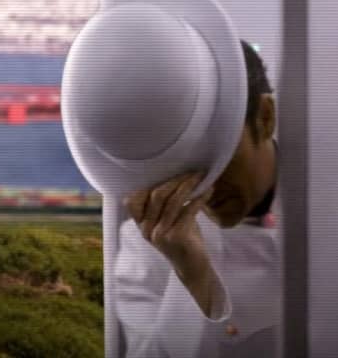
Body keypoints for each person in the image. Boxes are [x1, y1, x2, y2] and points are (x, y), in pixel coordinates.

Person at [115, 40, 280, 358]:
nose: (206, 189)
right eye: (181, 168)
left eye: (217, 158)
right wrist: (192, 277)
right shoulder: (147, 244)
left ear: (265, 117)